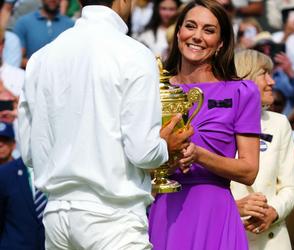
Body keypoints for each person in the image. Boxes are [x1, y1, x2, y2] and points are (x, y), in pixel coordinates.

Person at [18, 0, 193, 248]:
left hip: (57, 217)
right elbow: (143, 152)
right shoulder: (134, 53)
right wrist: (167, 146)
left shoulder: (41, 57)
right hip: (113, 218)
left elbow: (29, 152)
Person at [148, 1, 261, 249]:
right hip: (161, 209)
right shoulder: (151, 89)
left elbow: (249, 170)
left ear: (221, 42)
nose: (197, 36)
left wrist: (198, 155)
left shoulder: (242, 92)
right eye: (190, 26)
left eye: (209, 30)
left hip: (215, 214)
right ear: (178, 32)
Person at [231, 49, 294, 250]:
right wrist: (234, 209)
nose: (272, 82)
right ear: (244, 77)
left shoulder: (279, 124)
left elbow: (290, 188)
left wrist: (273, 211)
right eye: (264, 74)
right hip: (227, 234)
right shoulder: (215, 123)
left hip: (271, 241)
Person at [0, 122, 45, 250]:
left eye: (5, 140)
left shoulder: (54, 171)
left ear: (13, 144)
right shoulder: (4, 175)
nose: (0, 144)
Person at [13, 0, 74, 68]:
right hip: (32, 77)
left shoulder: (71, 25)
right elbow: (16, 59)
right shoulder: (24, 23)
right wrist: (43, 68)